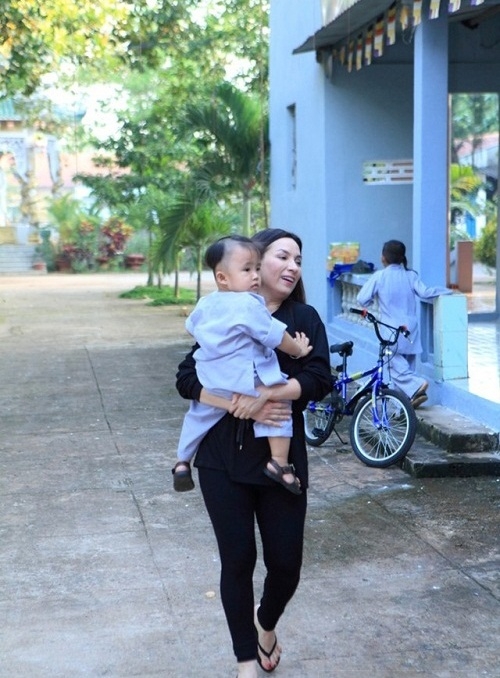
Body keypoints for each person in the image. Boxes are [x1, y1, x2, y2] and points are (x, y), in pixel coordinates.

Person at [175, 228, 331, 677]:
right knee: (237, 560)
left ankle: (266, 621)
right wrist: (231, 402)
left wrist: (268, 395)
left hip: (280, 460)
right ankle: (246, 660)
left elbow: (321, 377)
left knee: (286, 564)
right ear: (256, 263)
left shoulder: (303, 318)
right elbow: (187, 376)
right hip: (221, 458)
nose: (292, 267)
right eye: (283, 256)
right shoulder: (224, 310)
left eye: (298, 260)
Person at [172, 234, 312, 495]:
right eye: (248, 269)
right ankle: (279, 462)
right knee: (279, 405)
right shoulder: (249, 305)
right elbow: (277, 336)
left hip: (213, 379)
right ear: (223, 277)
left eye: (256, 268)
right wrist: (298, 350)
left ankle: (182, 461)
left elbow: (191, 327)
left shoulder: (207, 303)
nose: (255, 275)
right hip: (242, 381)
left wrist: (215, 343)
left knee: (198, 415)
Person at [357, 239, 452, 408]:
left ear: (383, 257)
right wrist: (447, 291)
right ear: (402, 257)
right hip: (410, 330)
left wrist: (372, 301)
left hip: (391, 331)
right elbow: (425, 293)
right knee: (406, 368)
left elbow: (362, 298)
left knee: (394, 367)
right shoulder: (411, 275)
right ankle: (403, 407)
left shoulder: (380, 276)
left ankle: (417, 385)